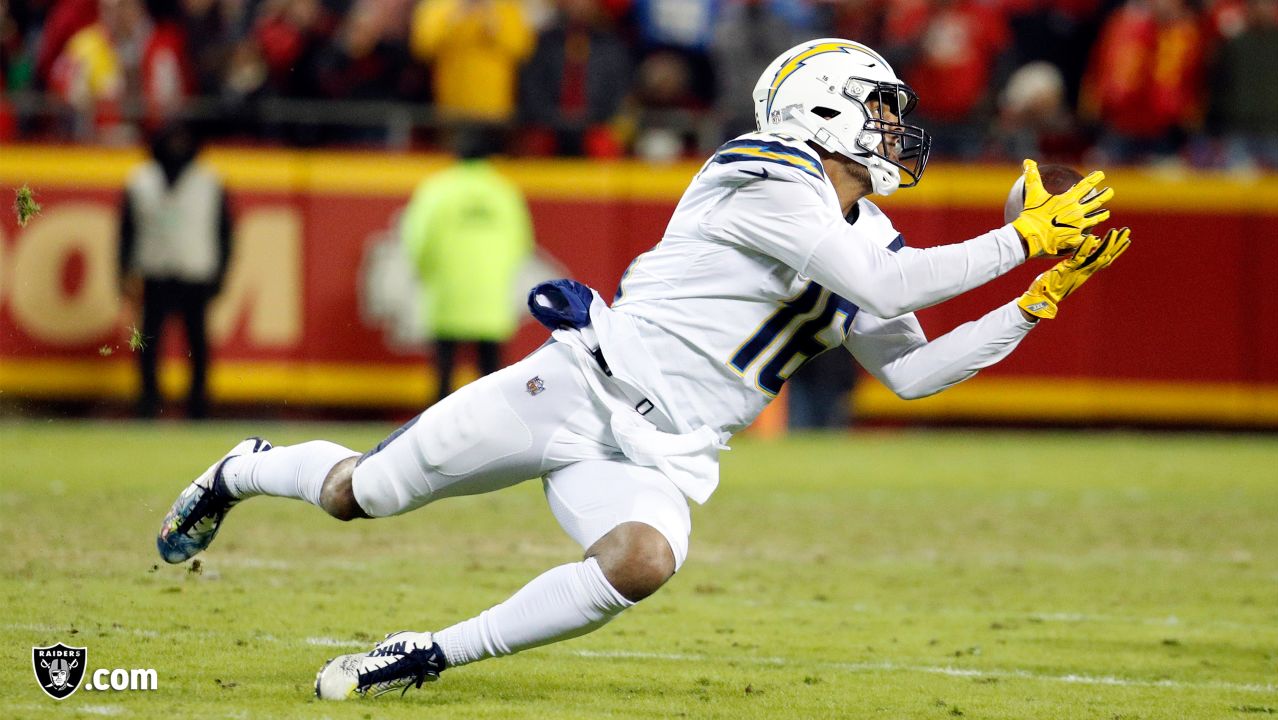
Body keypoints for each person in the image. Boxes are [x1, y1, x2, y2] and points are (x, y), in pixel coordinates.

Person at [155, 38, 1129, 699]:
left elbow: (911, 370)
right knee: (358, 493)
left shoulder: (864, 231)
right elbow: (880, 286)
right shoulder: (764, 170)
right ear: (821, 106)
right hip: (578, 389)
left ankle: (425, 657)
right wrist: (1020, 243)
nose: (891, 128)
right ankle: (241, 467)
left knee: (642, 562)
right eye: (877, 107)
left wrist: (1035, 299)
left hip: (660, 456)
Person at [400, 126, 535, 402]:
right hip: (490, 295)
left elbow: (417, 238)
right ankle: (494, 429)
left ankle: (436, 433)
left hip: (447, 292)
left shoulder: (437, 189)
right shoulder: (504, 191)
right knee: (492, 377)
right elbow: (522, 242)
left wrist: (427, 271)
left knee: (443, 375)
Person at [120, 121, 232, 419]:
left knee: (197, 344)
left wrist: (222, 272)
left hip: (195, 270)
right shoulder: (140, 179)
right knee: (149, 343)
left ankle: (198, 406)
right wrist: (123, 271)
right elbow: (126, 231)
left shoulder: (209, 179)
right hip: (154, 270)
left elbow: (225, 230)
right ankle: (147, 403)